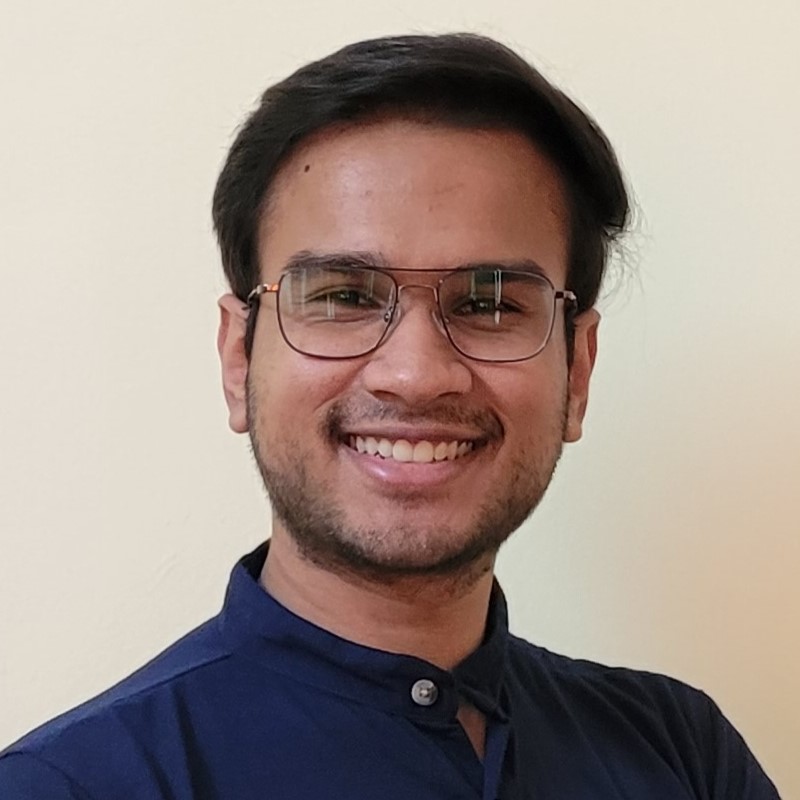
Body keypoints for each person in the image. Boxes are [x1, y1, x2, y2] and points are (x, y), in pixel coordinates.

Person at [0, 32, 781, 799]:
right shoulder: (73, 784)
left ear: (577, 369)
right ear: (239, 358)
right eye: (343, 296)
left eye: (488, 304)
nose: (415, 375)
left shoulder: (683, 754)